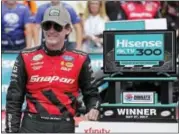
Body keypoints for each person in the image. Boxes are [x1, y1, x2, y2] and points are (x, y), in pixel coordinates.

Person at [5, 5, 101, 133]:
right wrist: (11, 131)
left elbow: (91, 94)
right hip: (32, 126)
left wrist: (93, 108)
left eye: (57, 26)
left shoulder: (80, 59)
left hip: (64, 126)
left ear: (68, 29)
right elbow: (14, 99)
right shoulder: (26, 57)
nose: (51, 30)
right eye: (47, 25)